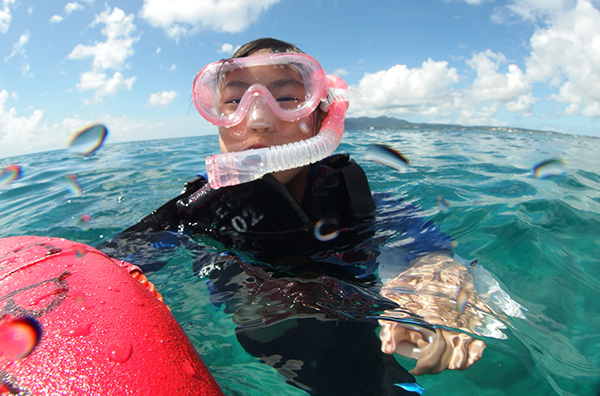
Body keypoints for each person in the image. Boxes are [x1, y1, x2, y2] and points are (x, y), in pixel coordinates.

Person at [99, 38, 485, 395]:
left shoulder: (351, 196)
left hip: (357, 304)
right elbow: (104, 268)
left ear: (324, 116)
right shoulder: (199, 211)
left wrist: (440, 283)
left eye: (286, 98)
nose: (259, 120)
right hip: (282, 341)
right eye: (234, 103)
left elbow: (424, 245)